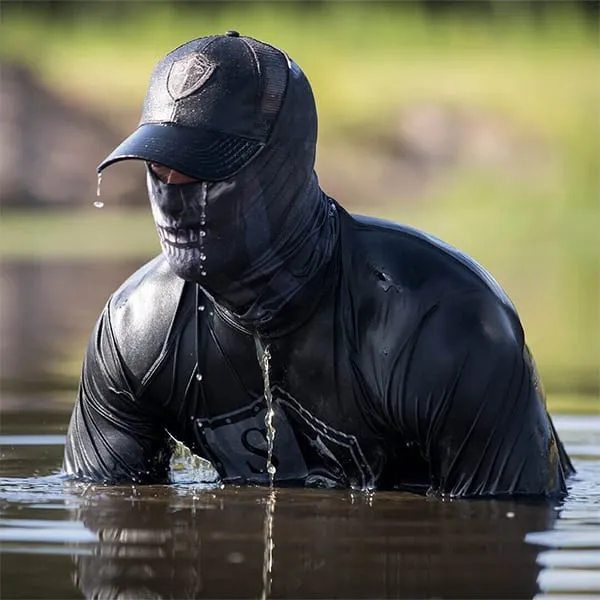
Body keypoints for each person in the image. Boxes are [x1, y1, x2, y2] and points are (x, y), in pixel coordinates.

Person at [64, 31, 574, 496]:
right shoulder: (135, 334)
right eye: (159, 167)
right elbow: (111, 526)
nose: (175, 196)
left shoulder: (439, 322)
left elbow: (500, 544)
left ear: (284, 167)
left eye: (202, 170)